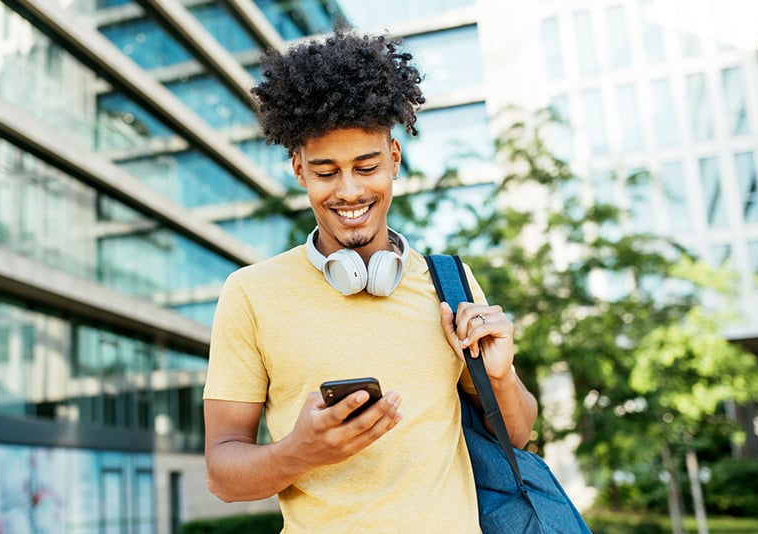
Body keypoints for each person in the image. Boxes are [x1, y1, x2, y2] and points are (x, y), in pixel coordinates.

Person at [203, 29, 538, 533]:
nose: (350, 190)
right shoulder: (251, 294)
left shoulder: (450, 281)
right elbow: (222, 476)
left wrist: (501, 375)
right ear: (298, 170)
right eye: (326, 172)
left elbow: (516, 435)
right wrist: (299, 452)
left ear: (395, 161)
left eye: (367, 165)